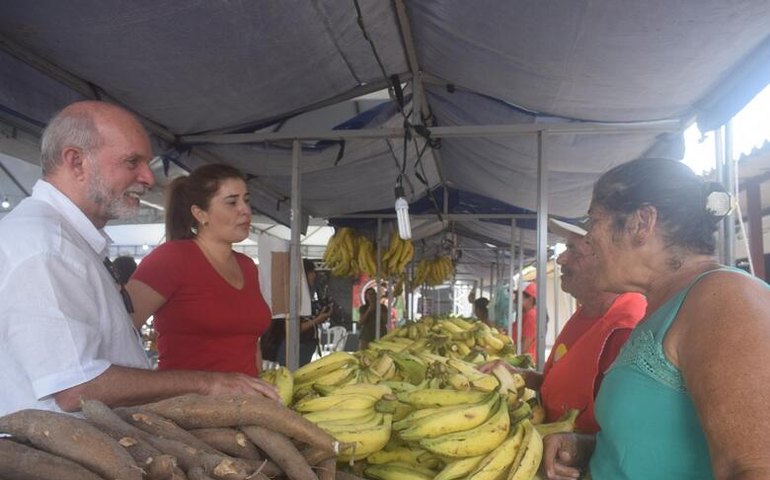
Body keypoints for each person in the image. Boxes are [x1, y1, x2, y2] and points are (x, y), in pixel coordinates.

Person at [0, 101, 278, 416]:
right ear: (76, 162)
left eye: (147, 163)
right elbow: (75, 388)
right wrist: (207, 383)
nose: (148, 177)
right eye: (132, 161)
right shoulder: (46, 247)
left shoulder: (67, 242)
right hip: (49, 458)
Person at [542, 158, 770, 480]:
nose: (589, 237)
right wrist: (585, 447)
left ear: (641, 223)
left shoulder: (724, 298)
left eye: (593, 221)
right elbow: (659, 443)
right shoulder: (664, 306)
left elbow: (755, 468)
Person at [481, 218, 646, 433]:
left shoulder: (627, 329)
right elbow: (563, 387)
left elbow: (630, 431)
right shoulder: (586, 312)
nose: (560, 259)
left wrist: (577, 449)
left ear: (605, 258)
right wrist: (520, 374)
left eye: (572, 250)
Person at [127, 163, 274, 377]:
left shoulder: (247, 265)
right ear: (200, 213)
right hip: (184, 405)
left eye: (247, 200)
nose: (245, 210)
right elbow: (119, 329)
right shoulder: (171, 258)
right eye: (232, 202)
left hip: (246, 404)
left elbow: (251, 344)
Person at [263, 259, 333, 367]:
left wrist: (318, 317)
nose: (314, 275)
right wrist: (317, 320)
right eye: (311, 272)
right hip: (295, 346)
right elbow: (293, 328)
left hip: (303, 345)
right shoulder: (293, 296)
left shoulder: (302, 295)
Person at [511, 281, 538, 359]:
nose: (515, 301)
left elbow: (523, 347)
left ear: (530, 299)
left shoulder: (530, 316)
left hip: (524, 362)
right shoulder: (523, 315)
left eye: (518, 297)